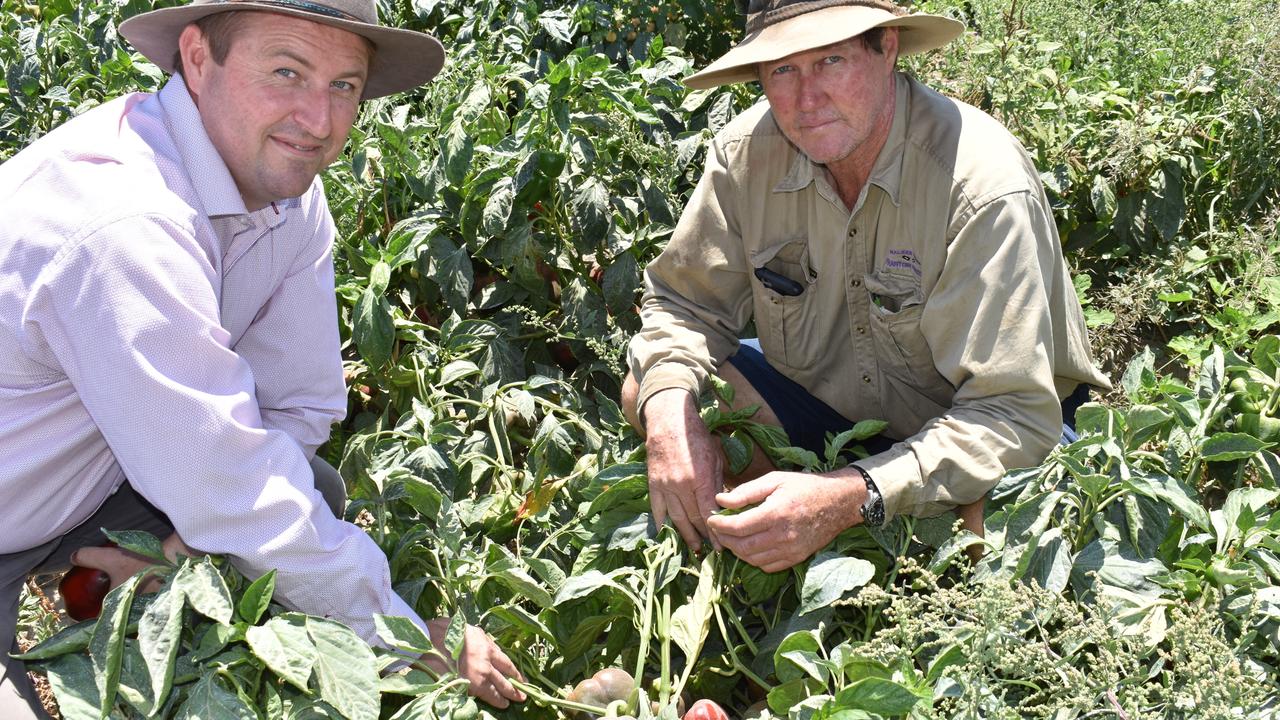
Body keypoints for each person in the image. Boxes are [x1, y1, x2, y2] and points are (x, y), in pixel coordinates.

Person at [0, 0, 525, 715]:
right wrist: (400, 635)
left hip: (80, 478)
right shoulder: (123, 224)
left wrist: (186, 554)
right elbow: (233, 486)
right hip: (28, 495)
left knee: (308, 491)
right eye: (287, 71)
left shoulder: (286, 198)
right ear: (195, 57)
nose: (319, 120)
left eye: (345, 85)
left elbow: (293, 407)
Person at [622, 0, 1111, 572]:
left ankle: (847, 541)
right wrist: (667, 422)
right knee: (656, 393)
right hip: (831, 412)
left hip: (983, 435)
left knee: (1010, 525)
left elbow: (1010, 415)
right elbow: (683, 305)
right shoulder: (746, 158)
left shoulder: (979, 184)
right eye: (782, 69)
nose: (807, 99)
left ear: (889, 50)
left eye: (831, 60)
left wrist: (851, 494)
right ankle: (798, 536)